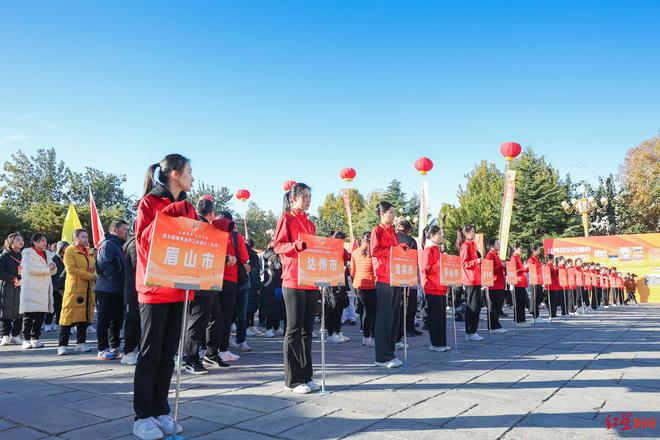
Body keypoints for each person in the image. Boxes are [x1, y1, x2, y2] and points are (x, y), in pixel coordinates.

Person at [132, 154, 197, 439]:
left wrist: (213, 230)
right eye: (189, 172)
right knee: (150, 354)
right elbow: (143, 242)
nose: (192, 177)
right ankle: (142, 417)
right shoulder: (149, 202)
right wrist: (166, 216)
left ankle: (160, 410)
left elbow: (196, 242)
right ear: (174, 174)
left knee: (169, 354)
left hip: (180, 288)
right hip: (155, 288)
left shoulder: (188, 207)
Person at [273, 182, 322, 393]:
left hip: (309, 280)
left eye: (310, 196)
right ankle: (292, 380)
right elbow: (278, 246)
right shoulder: (286, 218)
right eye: (304, 196)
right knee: (293, 330)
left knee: (307, 331)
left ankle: (306, 375)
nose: (308, 199)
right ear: (293, 199)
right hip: (292, 280)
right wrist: (295, 246)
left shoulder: (310, 224)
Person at [206, 211, 247, 363]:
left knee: (210, 316)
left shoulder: (209, 230)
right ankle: (222, 350)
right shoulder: (236, 236)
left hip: (211, 278)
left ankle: (207, 350)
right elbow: (243, 257)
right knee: (226, 316)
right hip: (230, 280)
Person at [371, 201, 407, 368]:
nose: (393, 215)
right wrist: (394, 249)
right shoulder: (376, 231)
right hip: (384, 278)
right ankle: (381, 357)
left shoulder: (392, 231)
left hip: (395, 277)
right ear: (382, 214)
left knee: (393, 317)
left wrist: (401, 248)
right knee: (384, 318)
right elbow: (375, 252)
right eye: (390, 212)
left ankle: (390, 352)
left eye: (394, 212)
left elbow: (394, 249)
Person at [95, 219, 129, 360]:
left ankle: (114, 346)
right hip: (107, 289)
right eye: (124, 229)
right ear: (115, 230)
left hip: (118, 289)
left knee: (116, 320)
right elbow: (104, 263)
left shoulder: (121, 246)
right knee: (105, 319)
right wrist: (114, 278)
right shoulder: (108, 244)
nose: (127, 232)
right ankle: (102, 348)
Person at [58, 229, 96, 355]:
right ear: (76, 238)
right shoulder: (70, 251)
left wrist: (94, 275)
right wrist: (91, 276)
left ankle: (81, 343)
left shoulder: (89, 252)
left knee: (84, 316)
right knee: (68, 316)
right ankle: (62, 345)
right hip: (74, 288)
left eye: (87, 236)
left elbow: (94, 268)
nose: (86, 239)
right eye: (83, 237)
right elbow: (71, 269)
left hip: (88, 288)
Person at [221, 211, 252, 353]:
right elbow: (246, 258)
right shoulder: (236, 236)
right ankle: (239, 341)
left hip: (222, 280)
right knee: (240, 314)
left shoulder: (213, 233)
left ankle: (220, 344)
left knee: (222, 314)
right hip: (239, 281)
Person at [20, 233, 56, 349]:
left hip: (44, 288)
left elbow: (53, 271)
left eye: (45, 241)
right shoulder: (27, 253)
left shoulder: (48, 254)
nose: (44, 243)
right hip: (31, 288)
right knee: (29, 315)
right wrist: (47, 269)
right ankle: (26, 339)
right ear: (34, 242)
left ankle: (35, 338)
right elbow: (30, 269)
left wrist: (53, 267)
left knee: (40, 315)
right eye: (41, 241)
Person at [421, 226, 452, 352]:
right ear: (432, 235)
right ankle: (435, 343)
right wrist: (441, 261)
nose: (442, 235)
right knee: (435, 318)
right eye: (440, 233)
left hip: (440, 287)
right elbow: (426, 269)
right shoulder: (428, 250)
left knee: (442, 317)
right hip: (432, 288)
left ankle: (442, 343)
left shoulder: (437, 249)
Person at [396, 219, 422, 342]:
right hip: (408, 273)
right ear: (408, 229)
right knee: (410, 304)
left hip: (394, 275)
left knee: (399, 305)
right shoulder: (411, 241)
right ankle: (409, 328)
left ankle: (400, 331)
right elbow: (414, 258)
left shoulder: (392, 238)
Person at [457, 225, 484, 339]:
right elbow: (464, 263)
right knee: (472, 306)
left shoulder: (473, 245)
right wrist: (476, 261)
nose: (474, 234)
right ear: (467, 234)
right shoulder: (465, 246)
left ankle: (473, 331)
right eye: (472, 232)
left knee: (476, 306)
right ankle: (470, 331)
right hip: (470, 280)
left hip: (476, 279)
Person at [351, 231, 377, 347]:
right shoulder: (373, 254)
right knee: (371, 312)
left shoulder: (355, 253)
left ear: (362, 240)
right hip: (371, 285)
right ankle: (369, 336)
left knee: (363, 310)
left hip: (359, 284)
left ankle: (365, 335)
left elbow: (352, 271)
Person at [324, 231, 351, 344]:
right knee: (332, 307)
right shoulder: (327, 250)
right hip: (331, 283)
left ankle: (337, 331)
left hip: (341, 281)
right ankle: (330, 333)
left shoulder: (342, 250)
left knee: (340, 306)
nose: (342, 243)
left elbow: (347, 257)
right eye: (341, 240)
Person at [0, 233, 25, 346]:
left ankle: (15, 335)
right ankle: (5, 335)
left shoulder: (22, 256)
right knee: (6, 311)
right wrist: (13, 279)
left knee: (19, 311)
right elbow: (1, 272)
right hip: (7, 286)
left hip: (20, 286)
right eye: (18, 240)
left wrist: (22, 279)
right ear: (11, 242)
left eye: (22, 240)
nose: (21, 242)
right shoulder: (4, 256)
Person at [121, 231, 140, 365]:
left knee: (137, 321)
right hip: (133, 290)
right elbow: (137, 266)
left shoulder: (134, 241)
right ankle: (129, 351)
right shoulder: (134, 243)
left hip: (135, 288)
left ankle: (134, 349)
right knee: (132, 320)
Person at [260, 243, 284, 338]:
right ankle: (269, 328)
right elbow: (279, 267)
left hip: (267, 284)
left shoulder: (264, 256)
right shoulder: (275, 256)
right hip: (275, 284)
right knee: (273, 307)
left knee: (272, 307)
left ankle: (276, 327)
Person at [44, 241, 67, 332]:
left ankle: (58, 323)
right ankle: (48, 323)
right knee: (52, 306)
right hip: (54, 286)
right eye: (65, 247)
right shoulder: (54, 258)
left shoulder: (68, 257)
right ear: (60, 248)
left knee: (61, 306)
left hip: (65, 286)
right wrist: (58, 287)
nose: (67, 249)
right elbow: (53, 274)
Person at [484, 239, 507, 333]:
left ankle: (496, 324)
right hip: (494, 284)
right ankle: (493, 326)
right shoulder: (489, 255)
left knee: (498, 306)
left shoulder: (495, 255)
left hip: (499, 284)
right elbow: (489, 269)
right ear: (492, 245)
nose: (499, 245)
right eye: (497, 243)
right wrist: (501, 265)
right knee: (494, 306)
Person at [246, 239, 264, 337]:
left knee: (247, 306)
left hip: (243, 283)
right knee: (250, 306)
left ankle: (250, 326)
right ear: (253, 246)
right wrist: (258, 287)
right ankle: (248, 326)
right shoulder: (254, 257)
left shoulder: (242, 254)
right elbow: (255, 273)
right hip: (251, 285)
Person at [511, 243, 529, 326]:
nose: (521, 250)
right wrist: (524, 267)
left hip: (521, 282)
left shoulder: (518, 257)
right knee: (519, 303)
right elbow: (515, 270)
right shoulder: (514, 258)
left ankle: (521, 320)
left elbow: (522, 270)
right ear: (516, 248)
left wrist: (526, 268)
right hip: (518, 282)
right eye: (520, 248)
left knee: (521, 302)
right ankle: (519, 321)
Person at [526, 245, 543, 319]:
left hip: (538, 280)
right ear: (534, 251)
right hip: (534, 280)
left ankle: (535, 313)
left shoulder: (536, 259)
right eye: (538, 250)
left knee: (537, 298)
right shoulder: (531, 259)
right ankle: (535, 315)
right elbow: (529, 269)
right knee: (534, 298)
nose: (539, 251)